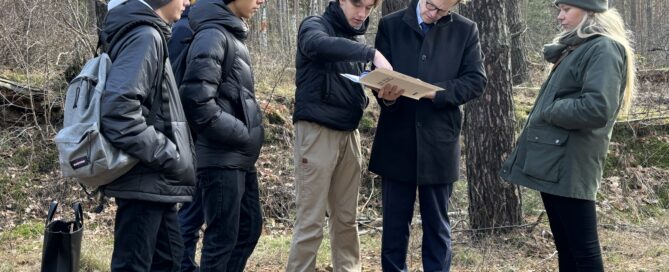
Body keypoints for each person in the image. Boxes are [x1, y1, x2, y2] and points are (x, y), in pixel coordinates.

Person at [500, 0, 636, 270]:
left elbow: (597, 108)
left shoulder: (604, 48)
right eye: (558, 9)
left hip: (571, 163)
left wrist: (550, 110)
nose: (559, 16)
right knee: (567, 248)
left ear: (589, 12)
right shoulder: (580, 47)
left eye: (566, 9)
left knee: (583, 253)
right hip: (556, 160)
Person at [369, 0, 486, 270]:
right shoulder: (391, 25)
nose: (433, 14)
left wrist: (435, 92)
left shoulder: (466, 30)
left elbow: (475, 81)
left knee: (437, 228)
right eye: (431, 6)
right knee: (394, 228)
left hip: (439, 144)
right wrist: (386, 97)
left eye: (442, 10)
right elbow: (379, 78)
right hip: (396, 141)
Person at [286, 0, 392, 270]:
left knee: (346, 220)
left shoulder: (352, 38)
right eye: (357, 5)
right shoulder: (314, 26)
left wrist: (387, 94)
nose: (362, 14)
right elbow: (317, 45)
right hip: (317, 133)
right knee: (310, 222)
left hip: (350, 134)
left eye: (369, 8)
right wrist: (370, 52)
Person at [99, 0, 195, 271]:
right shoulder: (145, 35)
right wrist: (167, 153)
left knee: (170, 261)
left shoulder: (148, 34)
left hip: (154, 182)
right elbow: (119, 111)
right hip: (146, 177)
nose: (187, 2)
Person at [178, 0, 266, 270]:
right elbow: (196, 100)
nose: (261, 1)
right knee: (222, 239)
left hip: (238, 158)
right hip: (220, 157)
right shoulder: (212, 35)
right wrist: (241, 133)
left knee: (249, 228)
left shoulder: (230, 32)